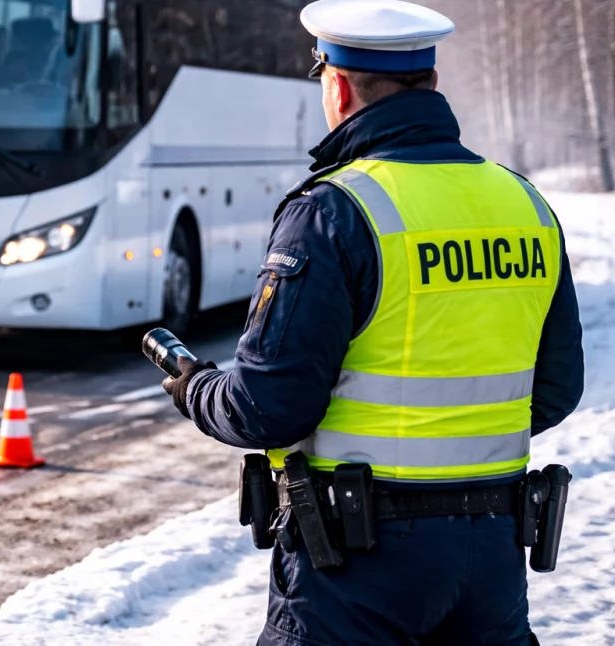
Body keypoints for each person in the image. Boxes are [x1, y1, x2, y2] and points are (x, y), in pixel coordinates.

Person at [161, 1, 584, 644]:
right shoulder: (523, 202)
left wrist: (194, 386)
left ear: (336, 85)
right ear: (433, 85)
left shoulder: (337, 210)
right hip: (492, 555)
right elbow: (556, 388)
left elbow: (269, 407)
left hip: (357, 565)